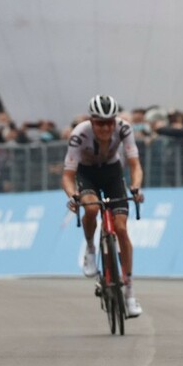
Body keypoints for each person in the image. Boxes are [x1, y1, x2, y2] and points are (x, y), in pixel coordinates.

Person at [62, 95, 145, 318]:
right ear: (91, 121)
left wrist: (136, 187)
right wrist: (73, 196)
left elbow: (135, 165)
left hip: (111, 173)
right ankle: (90, 247)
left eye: (110, 122)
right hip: (86, 174)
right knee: (91, 208)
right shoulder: (79, 134)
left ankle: (129, 292)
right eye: (100, 123)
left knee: (121, 228)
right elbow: (67, 176)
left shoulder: (124, 128)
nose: (106, 128)